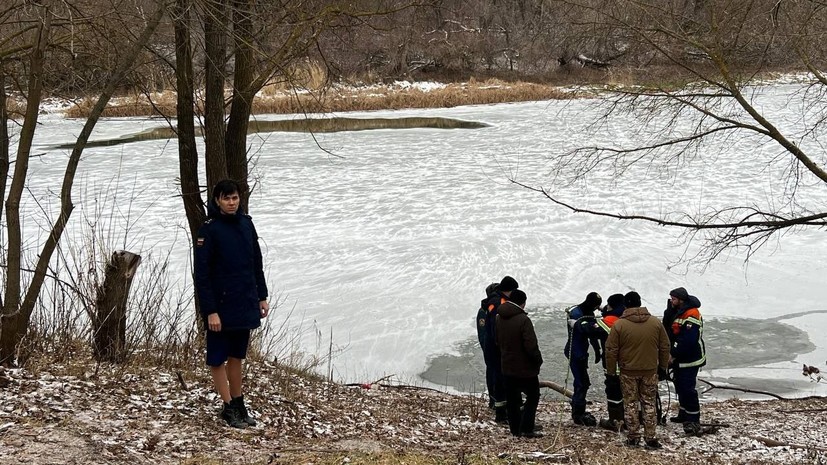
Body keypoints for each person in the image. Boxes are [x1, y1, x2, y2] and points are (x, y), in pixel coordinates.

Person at [195, 179, 270, 428]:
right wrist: (211, 311)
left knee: (237, 356)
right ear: (217, 200)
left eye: (235, 198)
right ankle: (227, 407)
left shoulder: (247, 224)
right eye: (226, 198)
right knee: (217, 359)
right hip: (220, 307)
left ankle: (238, 403)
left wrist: (262, 295)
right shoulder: (209, 230)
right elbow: (202, 276)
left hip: (244, 302)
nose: (231, 202)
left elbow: (255, 264)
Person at [605, 291, 670, 449]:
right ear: (640, 303)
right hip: (649, 370)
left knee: (631, 404)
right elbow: (665, 346)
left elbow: (611, 350)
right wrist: (662, 367)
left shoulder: (619, 325)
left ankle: (633, 437)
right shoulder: (655, 323)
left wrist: (611, 372)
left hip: (628, 371)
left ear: (625, 305)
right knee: (649, 403)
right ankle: (651, 437)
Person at [495, 289, 543, 438]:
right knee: (533, 396)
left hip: (507, 366)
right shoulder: (523, 320)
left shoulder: (498, 317)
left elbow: (497, 341)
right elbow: (531, 346)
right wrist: (538, 360)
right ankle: (527, 428)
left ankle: (515, 429)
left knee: (512, 399)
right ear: (522, 303)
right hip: (525, 369)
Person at [663, 287, 706, 435]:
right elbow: (667, 328)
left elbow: (688, 340)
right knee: (680, 385)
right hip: (679, 357)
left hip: (690, 358)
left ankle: (693, 419)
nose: (671, 301)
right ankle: (684, 413)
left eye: (673, 299)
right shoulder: (677, 311)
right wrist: (669, 311)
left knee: (688, 389)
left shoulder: (691, 314)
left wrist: (673, 354)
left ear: (681, 300)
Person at [482, 275, 519, 423]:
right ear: (509, 290)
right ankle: (501, 412)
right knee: (501, 379)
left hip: (495, 346)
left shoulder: (497, 299)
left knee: (500, 378)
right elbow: (494, 327)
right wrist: (502, 344)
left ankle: (501, 409)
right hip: (496, 347)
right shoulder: (497, 303)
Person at [563, 291, 603, 426]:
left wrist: (597, 350)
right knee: (582, 383)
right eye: (597, 306)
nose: (597, 309)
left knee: (582, 382)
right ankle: (577, 413)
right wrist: (580, 356)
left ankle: (578, 408)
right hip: (575, 352)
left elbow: (591, 333)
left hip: (581, 351)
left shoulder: (587, 312)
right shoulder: (576, 315)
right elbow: (586, 330)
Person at [595, 293, 626, 430]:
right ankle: (630, 420)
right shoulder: (628, 317)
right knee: (631, 393)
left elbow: (592, 329)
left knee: (614, 393)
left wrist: (578, 324)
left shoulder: (609, 320)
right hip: (631, 365)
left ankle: (615, 421)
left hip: (614, 366)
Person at [476, 281, 500, 410]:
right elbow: (483, 333)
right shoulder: (484, 311)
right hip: (490, 350)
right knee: (492, 375)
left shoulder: (490, 308)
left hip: (491, 349)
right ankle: (493, 401)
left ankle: (496, 401)